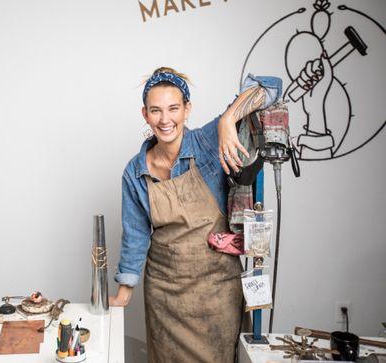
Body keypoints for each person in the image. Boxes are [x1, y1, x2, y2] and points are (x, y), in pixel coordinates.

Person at [109, 67, 282, 362]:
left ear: (187, 109)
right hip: (165, 297)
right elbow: (136, 235)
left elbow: (271, 87)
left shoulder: (206, 142)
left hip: (217, 292)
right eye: (156, 111)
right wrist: (123, 294)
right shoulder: (134, 171)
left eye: (174, 108)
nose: (165, 119)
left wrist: (229, 118)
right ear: (145, 114)